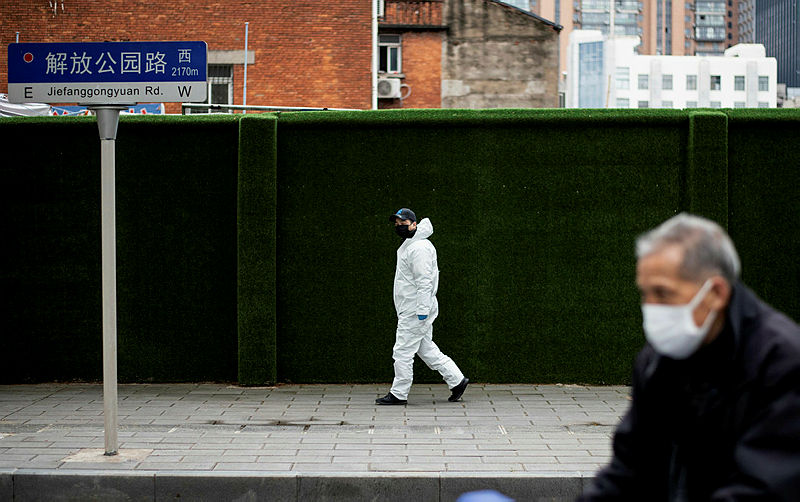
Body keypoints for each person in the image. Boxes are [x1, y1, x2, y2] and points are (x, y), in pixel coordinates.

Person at [578, 213, 800, 501]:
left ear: (716, 292)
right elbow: (629, 469)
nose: (651, 308)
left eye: (663, 293)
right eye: (645, 294)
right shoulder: (657, 361)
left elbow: (765, 489)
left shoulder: (781, 362)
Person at [376, 208, 469, 405]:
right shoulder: (412, 245)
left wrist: (421, 311)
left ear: (414, 224)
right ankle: (457, 380)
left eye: (403, 223)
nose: (399, 226)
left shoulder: (418, 248)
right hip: (414, 307)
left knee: (402, 351)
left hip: (415, 309)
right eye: (397, 224)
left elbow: (424, 281)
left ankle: (399, 393)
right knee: (426, 349)